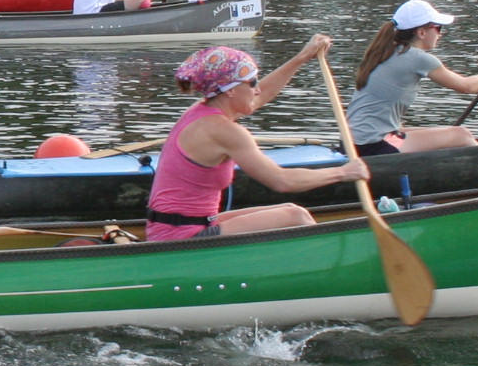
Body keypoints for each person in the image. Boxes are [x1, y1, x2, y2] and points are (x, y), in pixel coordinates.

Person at [144, 43, 369, 241]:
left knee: (290, 209)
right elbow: (282, 181)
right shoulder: (225, 131)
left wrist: (303, 57)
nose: (257, 89)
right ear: (231, 90)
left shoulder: (203, 110)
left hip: (186, 223)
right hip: (181, 235)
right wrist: (344, 172)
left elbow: (262, 95)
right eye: (252, 82)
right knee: (296, 216)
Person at [348, 0, 478, 152]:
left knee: (448, 131)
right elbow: (468, 86)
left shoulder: (384, 52)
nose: (440, 34)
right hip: (373, 145)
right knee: (461, 135)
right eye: (438, 28)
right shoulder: (417, 58)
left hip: (351, 144)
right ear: (421, 32)